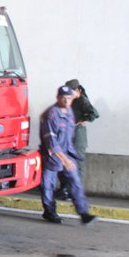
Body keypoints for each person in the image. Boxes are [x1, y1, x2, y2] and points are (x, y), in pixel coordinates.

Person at [39, 85, 98, 225]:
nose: (66, 101)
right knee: (48, 185)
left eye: (69, 98)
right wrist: (64, 159)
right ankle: (49, 211)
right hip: (53, 155)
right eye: (63, 98)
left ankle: (84, 213)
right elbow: (51, 142)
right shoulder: (51, 114)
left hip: (67, 153)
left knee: (75, 183)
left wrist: (69, 156)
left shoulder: (69, 112)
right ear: (58, 98)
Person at [56, 78, 100, 201]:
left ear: (77, 90)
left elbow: (94, 114)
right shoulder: (69, 101)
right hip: (67, 135)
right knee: (64, 162)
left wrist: (82, 120)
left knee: (78, 164)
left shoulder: (83, 101)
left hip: (78, 137)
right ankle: (65, 188)